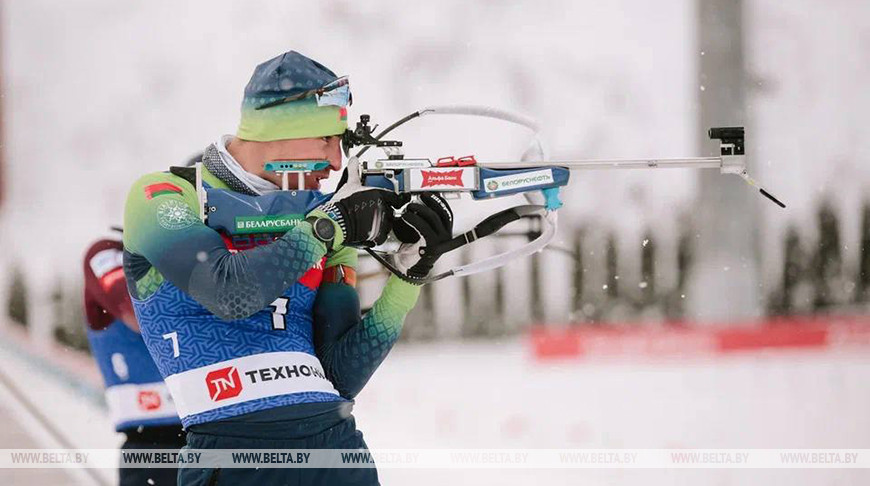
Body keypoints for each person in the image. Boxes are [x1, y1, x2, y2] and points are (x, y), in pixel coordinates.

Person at [121, 51, 452, 485]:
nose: (337, 162)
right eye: (327, 139)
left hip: (338, 451)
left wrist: (406, 280)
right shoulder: (163, 195)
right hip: (235, 454)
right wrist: (329, 227)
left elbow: (338, 375)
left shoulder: (320, 218)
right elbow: (228, 291)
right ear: (281, 133)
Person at [83, 237, 185, 486]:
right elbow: (137, 309)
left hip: (226, 433)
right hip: (152, 447)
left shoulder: (203, 249)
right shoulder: (106, 253)